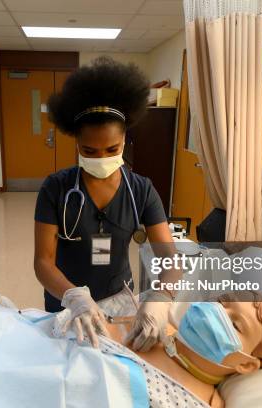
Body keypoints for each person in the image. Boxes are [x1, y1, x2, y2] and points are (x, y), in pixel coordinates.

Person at [34, 57, 178, 350]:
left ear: (125, 139)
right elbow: (43, 262)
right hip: (66, 301)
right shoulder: (56, 189)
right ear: (76, 143)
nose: (101, 159)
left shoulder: (141, 190)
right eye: (89, 150)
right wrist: (74, 297)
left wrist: (162, 297)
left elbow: (170, 260)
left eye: (112, 149)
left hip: (120, 300)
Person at [103, 297, 262, 407]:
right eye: (222, 304)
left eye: (234, 324)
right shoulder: (154, 325)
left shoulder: (206, 402)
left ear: (246, 364)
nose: (218, 312)